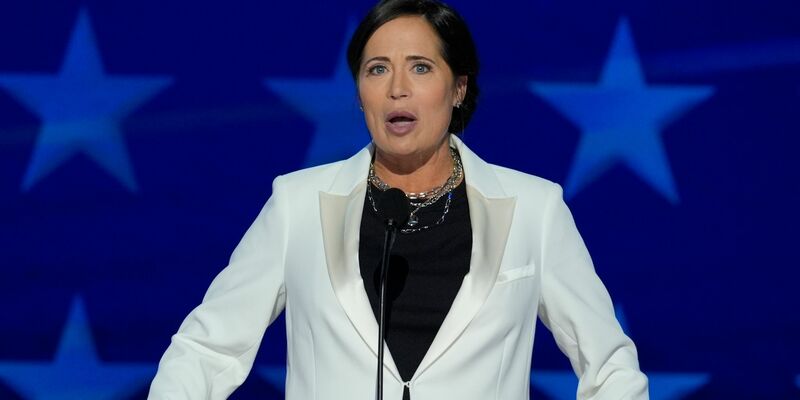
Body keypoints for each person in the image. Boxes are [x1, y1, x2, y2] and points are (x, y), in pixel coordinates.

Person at [148, 0, 649, 399]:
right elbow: (206, 349)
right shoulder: (296, 205)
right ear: (359, 91)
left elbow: (609, 365)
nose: (397, 90)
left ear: (458, 88)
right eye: (378, 69)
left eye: (421, 68)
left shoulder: (534, 209)